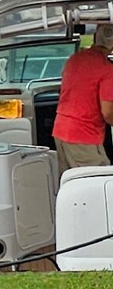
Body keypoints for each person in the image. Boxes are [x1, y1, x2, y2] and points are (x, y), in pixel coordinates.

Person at [53, 22, 113, 175]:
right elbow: (108, 113)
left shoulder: (74, 59)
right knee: (99, 181)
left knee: (71, 182)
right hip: (83, 136)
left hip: (61, 130)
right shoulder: (106, 69)